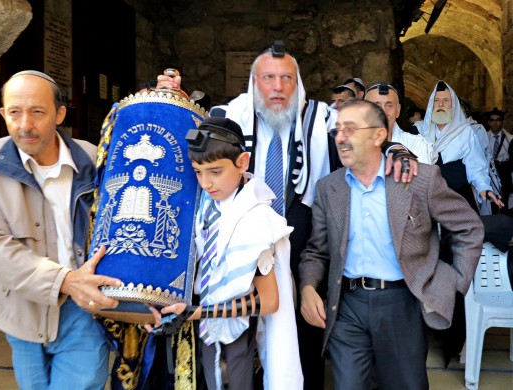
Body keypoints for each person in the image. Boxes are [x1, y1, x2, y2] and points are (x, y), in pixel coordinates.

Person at [157, 40, 417, 389]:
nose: (277, 88)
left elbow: (362, 133)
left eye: (286, 78)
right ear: (253, 82)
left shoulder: (322, 117)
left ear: (298, 83)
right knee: (235, 347)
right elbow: (187, 149)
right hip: (237, 245)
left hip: (302, 244)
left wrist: (396, 148)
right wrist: (164, 99)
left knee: (299, 341)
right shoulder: (228, 117)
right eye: (267, 78)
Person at [299, 99, 484, 389]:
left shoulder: (420, 180)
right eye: (337, 130)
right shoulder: (329, 188)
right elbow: (316, 250)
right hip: (348, 307)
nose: (341, 137)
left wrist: (453, 280)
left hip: (402, 303)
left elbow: (469, 227)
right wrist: (308, 287)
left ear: (378, 135)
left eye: (351, 128)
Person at [0, 70, 122, 389]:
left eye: (37, 112)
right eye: (14, 112)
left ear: (60, 113)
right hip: (20, 310)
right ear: (3, 114)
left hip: (83, 313)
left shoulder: (94, 159)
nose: (25, 125)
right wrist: (64, 280)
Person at [150, 117, 302, 389]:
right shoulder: (203, 208)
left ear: (243, 162)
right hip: (201, 328)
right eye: (198, 172)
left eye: (216, 172)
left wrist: (199, 312)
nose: (206, 183)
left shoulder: (259, 220)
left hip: (237, 332)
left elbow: (269, 301)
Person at [414, 80, 503, 210]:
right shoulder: (420, 131)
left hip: (458, 197)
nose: (441, 104)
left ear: (453, 105)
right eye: (437, 100)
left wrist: (484, 187)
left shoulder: (465, 131)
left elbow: (476, 165)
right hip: (428, 198)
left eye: (446, 100)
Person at [365, 83, 433, 163]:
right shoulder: (355, 143)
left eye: (389, 105)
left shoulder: (416, 144)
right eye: (376, 106)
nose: (383, 111)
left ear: (398, 110)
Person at [487, 108, 512, 212]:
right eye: (492, 120)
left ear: (502, 121)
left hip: (504, 173)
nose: (495, 123)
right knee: (490, 202)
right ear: (488, 122)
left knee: (505, 200)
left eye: (498, 120)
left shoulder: (510, 139)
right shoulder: (483, 138)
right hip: (489, 174)